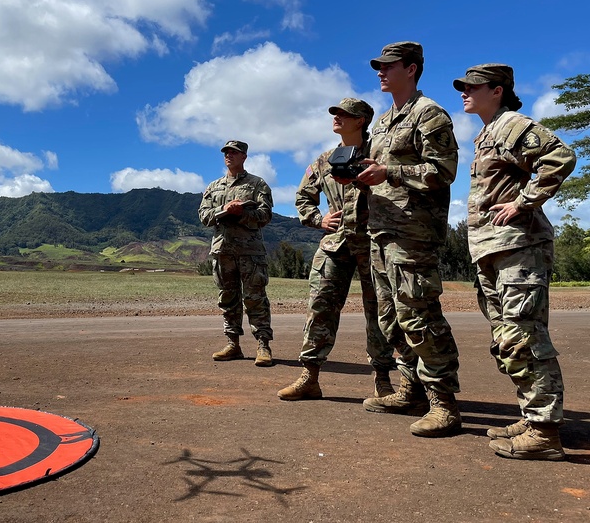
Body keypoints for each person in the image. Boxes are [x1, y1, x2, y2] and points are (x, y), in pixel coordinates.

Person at [454, 63, 576, 460]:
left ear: (498, 90)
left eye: (472, 87)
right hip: (494, 249)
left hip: (518, 246)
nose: (464, 93)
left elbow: (560, 156)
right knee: (507, 340)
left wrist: (524, 202)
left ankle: (544, 432)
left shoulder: (512, 125)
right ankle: (531, 416)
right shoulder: (488, 133)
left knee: (523, 336)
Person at [353, 41, 463, 438]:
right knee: (390, 318)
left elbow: (443, 170)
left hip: (413, 234)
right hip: (381, 233)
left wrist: (391, 173)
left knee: (419, 315)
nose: (380, 72)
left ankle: (444, 404)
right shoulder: (382, 122)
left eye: (389, 66)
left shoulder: (429, 114)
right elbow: (380, 170)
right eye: (378, 67)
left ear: (412, 69)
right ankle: (411, 390)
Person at [277, 98, 397, 401]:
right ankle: (310, 376)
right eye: (335, 113)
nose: (337, 117)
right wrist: (319, 219)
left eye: (345, 114)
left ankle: (382, 379)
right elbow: (304, 197)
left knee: (380, 312)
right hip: (335, 244)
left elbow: (399, 189)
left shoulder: (379, 155)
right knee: (320, 308)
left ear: (361, 120)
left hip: (373, 242)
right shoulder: (325, 160)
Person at [198, 140, 276, 366]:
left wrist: (241, 213)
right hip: (223, 251)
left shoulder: (257, 184)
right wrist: (224, 209)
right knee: (228, 299)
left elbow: (265, 215)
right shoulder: (214, 187)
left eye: (234, 152)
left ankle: (263, 345)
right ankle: (233, 344)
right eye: (226, 152)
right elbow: (203, 216)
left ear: (244, 156)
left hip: (250, 252)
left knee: (255, 299)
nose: (229, 155)